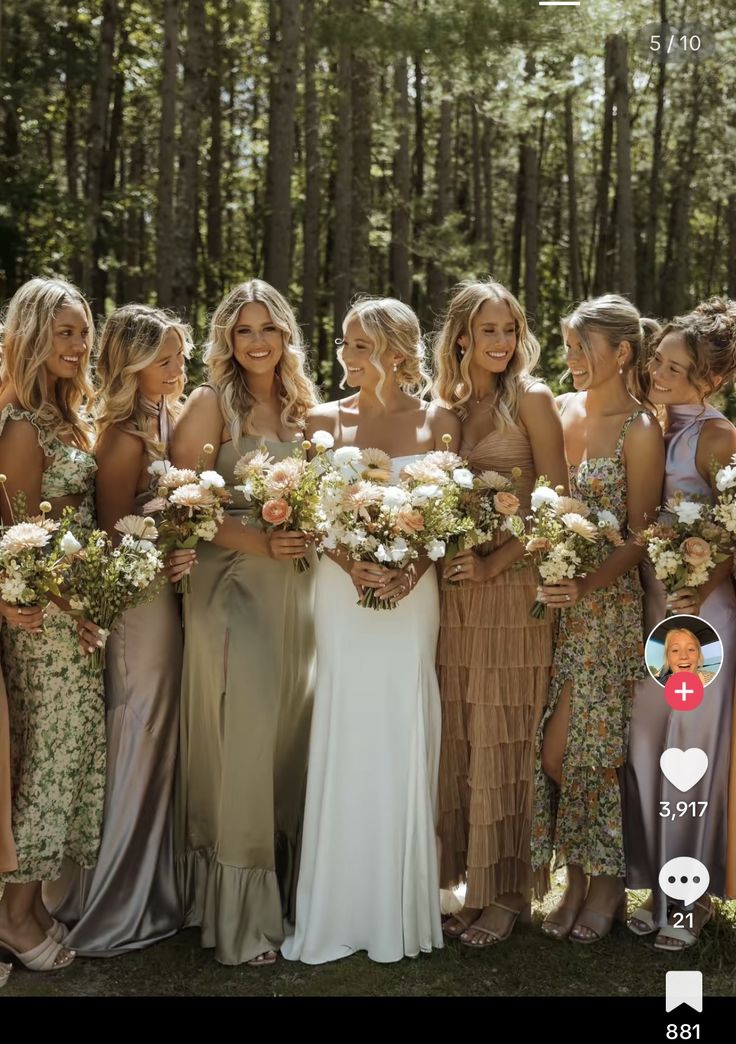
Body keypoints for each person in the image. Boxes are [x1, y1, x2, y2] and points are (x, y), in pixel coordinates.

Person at [282, 296, 460, 965]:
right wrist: (349, 562)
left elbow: (449, 509)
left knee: (401, 724)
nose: (347, 358)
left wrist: (415, 565)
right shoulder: (321, 420)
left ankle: (399, 905)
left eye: (359, 346)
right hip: (338, 591)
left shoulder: (440, 420)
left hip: (414, 597)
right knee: (345, 721)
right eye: (343, 345)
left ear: (395, 350)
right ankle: (336, 902)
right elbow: (306, 512)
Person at [171, 280, 318, 966]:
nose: (257, 342)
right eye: (243, 331)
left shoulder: (302, 406)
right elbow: (180, 507)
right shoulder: (210, 407)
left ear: (287, 335)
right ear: (226, 342)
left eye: (268, 329)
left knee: (284, 747)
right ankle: (241, 924)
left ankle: (286, 895)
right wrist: (261, 542)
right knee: (245, 744)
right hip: (230, 592)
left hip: (295, 596)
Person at [47, 304, 195, 954]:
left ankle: (155, 886)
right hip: (139, 607)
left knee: (163, 735)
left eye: (179, 357)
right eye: (164, 359)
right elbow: (111, 535)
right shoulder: (123, 436)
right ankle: (118, 898)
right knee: (141, 730)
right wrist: (166, 541)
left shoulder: (166, 418)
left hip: (170, 597)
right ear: (133, 364)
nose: (176, 368)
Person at [431, 279, 567, 947]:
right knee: (462, 732)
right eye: (489, 330)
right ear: (462, 337)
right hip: (454, 590)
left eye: (510, 329)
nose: (502, 342)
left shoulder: (532, 400)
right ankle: (470, 884)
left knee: (507, 731)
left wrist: (495, 559)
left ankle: (509, 893)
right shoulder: (448, 407)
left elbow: (554, 502)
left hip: (512, 586)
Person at [533, 294, 664, 944]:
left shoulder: (641, 427)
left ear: (622, 352)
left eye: (582, 347)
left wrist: (586, 582)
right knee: (558, 754)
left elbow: (641, 534)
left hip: (609, 609)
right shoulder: (561, 409)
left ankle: (605, 884)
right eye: (567, 347)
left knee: (592, 752)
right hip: (557, 610)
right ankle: (577, 876)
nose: (571, 360)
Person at [0, 277, 106, 971]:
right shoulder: (22, 426)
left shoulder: (74, 416)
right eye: (64, 332)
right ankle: (12, 916)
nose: (77, 344)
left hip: (80, 617)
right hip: (43, 622)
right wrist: (73, 608)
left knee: (69, 758)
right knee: (44, 760)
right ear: (34, 337)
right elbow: (18, 536)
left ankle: (36, 902)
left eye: (81, 332)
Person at [625, 297, 736, 949]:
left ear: (711, 380)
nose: (658, 373)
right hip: (651, 611)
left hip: (701, 620)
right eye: (657, 361)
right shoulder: (650, 426)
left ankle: (689, 907)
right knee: (649, 751)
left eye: (674, 367)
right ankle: (658, 886)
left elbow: (735, 526)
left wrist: (700, 588)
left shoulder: (718, 437)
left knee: (690, 755)